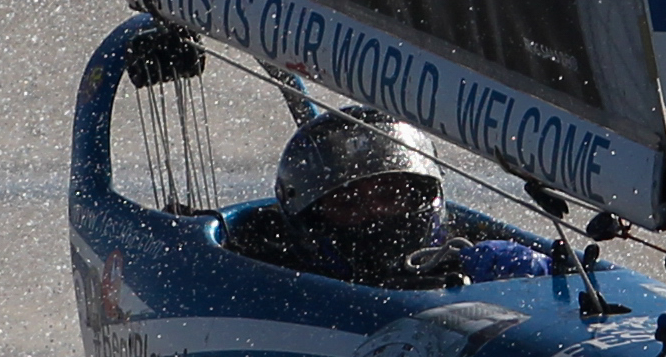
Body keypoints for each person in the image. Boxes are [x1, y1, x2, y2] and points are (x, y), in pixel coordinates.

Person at [232, 109, 557, 289]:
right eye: (348, 205)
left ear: (426, 195)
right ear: (311, 218)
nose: (375, 214)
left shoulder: (479, 258)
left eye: (391, 196)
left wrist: (535, 276)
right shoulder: (276, 266)